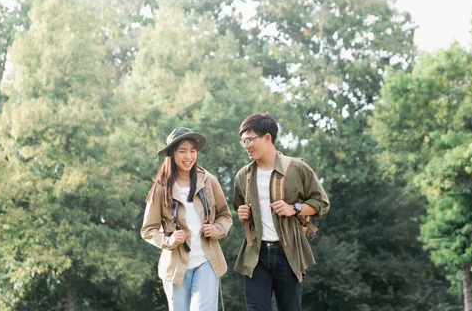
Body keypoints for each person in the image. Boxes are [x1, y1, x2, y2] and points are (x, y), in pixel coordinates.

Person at [232, 113, 330, 311]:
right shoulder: (243, 175)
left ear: (267, 137)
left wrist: (293, 208)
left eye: (250, 140)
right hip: (256, 254)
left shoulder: (297, 168)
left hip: (288, 253)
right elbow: (239, 206)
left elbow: (322, 202)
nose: (247, 146)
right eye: (243, 142)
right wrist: (242, 213)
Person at [141, 127, 233, 311]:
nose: (188, 156)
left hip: (207, 261)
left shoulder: (209, 180)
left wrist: (215, 229)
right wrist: (169, 240)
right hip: (175, 267)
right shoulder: (160, 188)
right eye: (182, 151)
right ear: (171, 154)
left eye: (192, 151)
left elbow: (225, 215)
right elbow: (148, 230)